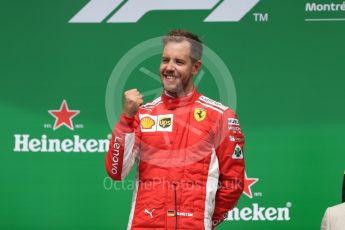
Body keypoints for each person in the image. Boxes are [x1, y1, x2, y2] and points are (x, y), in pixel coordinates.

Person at [105, 29, 245, 230]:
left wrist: (204, 221)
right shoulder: (142, 114)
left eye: (179, 62)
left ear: (196, 67)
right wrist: (126, 118)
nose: (169, 68)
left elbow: (233, 183)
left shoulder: (221, 116)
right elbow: (116, 172)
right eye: (165, 60)